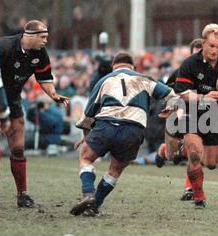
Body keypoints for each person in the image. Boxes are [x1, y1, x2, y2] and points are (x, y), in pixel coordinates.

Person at [70, 52, 180, 216]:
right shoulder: (143, 78)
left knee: (85, 158)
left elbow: (88, 115)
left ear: (113, 66)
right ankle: (94, 205)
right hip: (133, 130)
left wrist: (86, 137)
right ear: (132, 66)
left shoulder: (104, 80)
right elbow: (171, 95)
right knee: (114, 171)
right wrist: (171, 107)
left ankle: (88, 194)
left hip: (106, 125)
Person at [173, 24, 218, 209]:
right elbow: (181, 93)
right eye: (212, 46)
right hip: (192, 111)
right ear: (203, 43)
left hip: (216, 113)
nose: (215, 50)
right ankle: (199, 197)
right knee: (195, 154)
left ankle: (183, 148)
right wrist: (202, 97)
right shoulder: (190, 63)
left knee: (212, 163)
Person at [0, 20, 69, 207]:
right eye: (43, 37)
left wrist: (53, 94)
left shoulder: (40, 53)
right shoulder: (3, 46)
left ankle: (22, 195)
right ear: (30, 36)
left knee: (18, 148)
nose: (45, 41)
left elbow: (44, 77)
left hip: (13, 100)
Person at [155, 38, 203, 201]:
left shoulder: (212, 73)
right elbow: (167, 93)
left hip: (202, 117)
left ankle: (189, 188)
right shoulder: (180, 71)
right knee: (172, 154)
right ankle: (163, 151)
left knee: (195, 152)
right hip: (180, 115)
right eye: (196, 52)